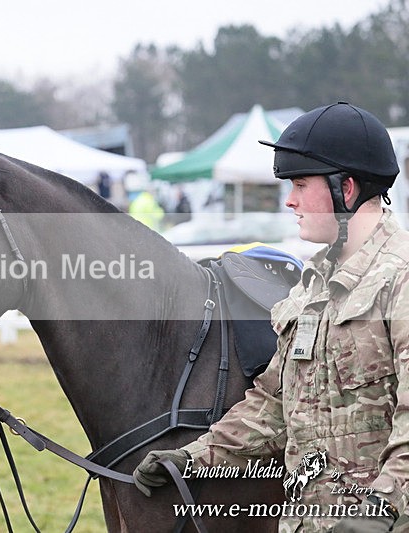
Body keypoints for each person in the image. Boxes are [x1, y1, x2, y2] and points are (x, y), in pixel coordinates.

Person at [133, 102, 408, 532]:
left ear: (347, 187)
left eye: (300, 184)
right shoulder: (313, 286)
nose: (290, 200)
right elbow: (275, 404)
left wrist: (382, 512)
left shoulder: (401, 279)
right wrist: (192, 458)